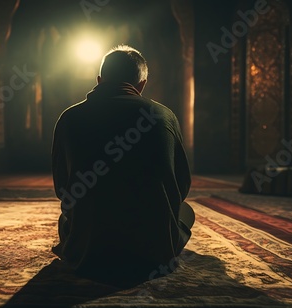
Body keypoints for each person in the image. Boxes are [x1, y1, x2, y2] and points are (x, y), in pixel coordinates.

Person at [51, 45, 194, 282]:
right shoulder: (164, 116)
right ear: (142, 85)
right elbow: (182, 186)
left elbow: (62, 189)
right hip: (153, 254)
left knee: (65, 220)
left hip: (90, 252)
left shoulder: (69, 117)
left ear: (99, 80)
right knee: (186, 213)